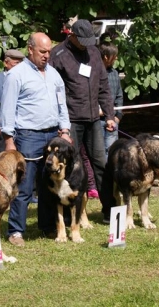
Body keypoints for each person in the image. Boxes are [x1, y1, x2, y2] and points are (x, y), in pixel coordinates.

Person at [0, 32, 71, 246]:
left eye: (49, 51)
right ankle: (16, 231)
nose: (47, 56)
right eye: (42, 51)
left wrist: (65, 130)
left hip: (52, 135)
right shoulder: (16, 75)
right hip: (28, 136)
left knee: (49, 183)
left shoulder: (54, 75)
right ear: (30, 49)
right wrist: (9, 139)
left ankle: (48, 226)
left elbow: (62, 105)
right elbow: (7, 109)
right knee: (24, 186)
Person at [48, 19, 115, 223]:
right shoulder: (58, 55)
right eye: (82, 41)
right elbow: (52, 90)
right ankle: (68, 214)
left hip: (94, 119)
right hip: (71, 121)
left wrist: (110, 115)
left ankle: (110, 211)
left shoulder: (94, 52)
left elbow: (103, 84)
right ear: (72, 35)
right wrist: (61, 125)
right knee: (70, 165)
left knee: (101, 163)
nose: (86, 45)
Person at [98, 41, 124, 156]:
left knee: (113, 151)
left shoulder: (114, 74)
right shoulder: (93, 73)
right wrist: (97, 111)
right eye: (114, 55)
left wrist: (117, 117)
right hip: (97, 122)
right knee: (99, 153)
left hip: (113, 122)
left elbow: (119, 96)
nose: (116, 58)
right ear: (106, 57)